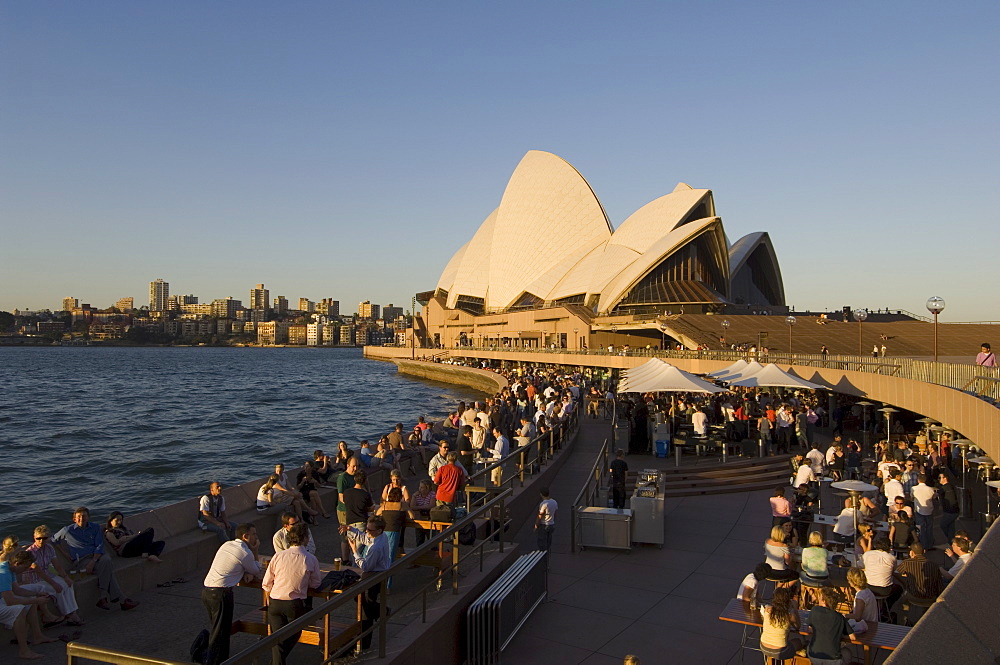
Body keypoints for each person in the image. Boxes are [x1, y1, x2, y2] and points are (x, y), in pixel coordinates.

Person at [198, 524, 263, 665]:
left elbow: (235, 565)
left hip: (207, 591)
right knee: (221, 631)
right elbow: (256, 569)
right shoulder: (245, 552)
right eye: (254, 534)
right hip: (221, 594)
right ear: (245, 536)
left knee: (218, 629)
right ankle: (215, 661)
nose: (256, 537)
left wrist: (245, 572)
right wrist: (256, 550)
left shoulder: (227, 545)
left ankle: (216, 657)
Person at [51, 506, 138, 611]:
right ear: (74, 519)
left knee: (107, 560)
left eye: (84, 516)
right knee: (107, 569)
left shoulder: (95, 527)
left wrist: (93, 561)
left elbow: (99, 545)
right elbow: (53, 540)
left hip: (98, 556)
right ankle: (121, 600)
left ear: (88, 517)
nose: (81, 519)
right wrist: (65, 553)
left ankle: (103, 597)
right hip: (82, 560)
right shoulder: (67, 530)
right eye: (79, 517)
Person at [262, 523, 321, 665]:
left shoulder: (278, 556)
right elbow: (316, 584)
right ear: (305, 538)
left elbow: (266, 583)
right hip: (293, 603)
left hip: (275, 602)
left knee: (278, 639)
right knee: (294, 634)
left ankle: (275, 662)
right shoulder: (310, 559)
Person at [340, 516, 391, 650]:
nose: (367, 531)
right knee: (362, 602)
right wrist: (351, 529)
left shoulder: (376, 548)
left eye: (370, 529)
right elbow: (366, 538)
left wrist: (355, 552)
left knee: (365, 609)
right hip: (378, 574)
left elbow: (366, 566)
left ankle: (365, 640)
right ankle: (381, 611)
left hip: (373, 576)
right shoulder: (381, 537)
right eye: (367, 528)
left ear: (379, 530)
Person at [20, 525, 83, 626]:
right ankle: (68, 614)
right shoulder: (30, 552)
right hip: (35, 579)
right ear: (34, 537)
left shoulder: (49, 548)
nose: (41, 541)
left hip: (47, 575)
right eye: (38, 538)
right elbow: (39, 571)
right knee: (59, 588)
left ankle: (73, 612)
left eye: (44, 538)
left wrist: (66, 577)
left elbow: (57, 565)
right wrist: (54, 584)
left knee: (68, 584)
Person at [1, 550, 56, 660]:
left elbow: (17, 590)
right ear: (17, 563)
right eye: (25, 567)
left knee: (31, 598)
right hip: (4, 600)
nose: (26, 570)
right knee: (19, 610)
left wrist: (36, 595)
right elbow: (10, 601)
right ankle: (24, 651)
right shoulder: (3, 572)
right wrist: (37, 601)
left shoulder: (9, 567)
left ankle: (37, 636)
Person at [806, 586, 852, 664]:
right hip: (833, 659)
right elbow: (853, 637)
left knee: (807, 645)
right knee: (847, 653)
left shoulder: (814, 610)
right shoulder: (839, 617)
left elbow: (810, 629)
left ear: (824, 601)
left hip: (814, 656)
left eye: (820, 598)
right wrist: (838, 634)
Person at [861, 537, 903, 621]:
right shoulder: (891, 557)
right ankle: (884, 609)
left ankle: (879, 608)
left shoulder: (867, 554)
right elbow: (894, 570)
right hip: (884, 590)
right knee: (899, 589)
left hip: (868, 587)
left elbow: (861, 566)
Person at [759, 586, 804, 661]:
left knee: (787, 642)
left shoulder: (768, 610)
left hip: (763, 647)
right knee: (798, 642)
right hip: (781, 651)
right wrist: (794, 608)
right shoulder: (789, 615)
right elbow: (798, 627)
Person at [375, 487, 414, 563]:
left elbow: (377, 513)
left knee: (382, 553)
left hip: (383, 532)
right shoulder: (402, 505)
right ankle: (389, 573)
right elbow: (412, 516)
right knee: (390, 555)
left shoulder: (385, 504)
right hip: (394, 532)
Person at [846, 567, 878, 631]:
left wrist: (843, 615)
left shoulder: (860, 597)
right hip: (872, 624)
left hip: (866, 627)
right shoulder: (867, 591)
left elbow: (857, 617)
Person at [910, 475, 936, 550]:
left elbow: (912, 497)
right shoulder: (930, 489)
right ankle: (930, 544)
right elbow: (933, 497)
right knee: (929, 528)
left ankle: (923, 545)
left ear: (918, 480)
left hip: (919, 510)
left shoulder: (914, 488)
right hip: (929, 510)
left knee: (921, 528)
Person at [410, 480, 436, 546]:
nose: (420, 489)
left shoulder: (432, 494)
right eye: (420, 487)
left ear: (427, 488)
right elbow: (412, 507)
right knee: (419, 539)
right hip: (419, 517)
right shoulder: (417, 495)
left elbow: (431, 506)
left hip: (429, 517)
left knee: (432, 538)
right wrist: (413, 496)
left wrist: (419, 507)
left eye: (422, 487)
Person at [937, 473, 960, 543]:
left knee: (943, 524)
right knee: (951, 526)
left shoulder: (945, 488)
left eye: (939, 478)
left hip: (950, 511)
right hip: (954, 510)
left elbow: (937, 494)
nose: (938, 480)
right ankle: (952, 541)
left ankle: (952, 540)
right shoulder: (951, 486)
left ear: (945, 478)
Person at [535, 488, 557, 552]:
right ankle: (548, 555)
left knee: (542, 542)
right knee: (548, 541)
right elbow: (555, 514)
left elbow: (540, 515)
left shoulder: (543, 504)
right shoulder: (554, 502)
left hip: (544, 525)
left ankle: (543, 556)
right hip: (551, 524)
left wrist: (536, 525)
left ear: (541, 494)